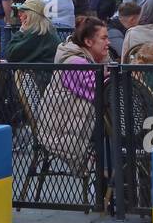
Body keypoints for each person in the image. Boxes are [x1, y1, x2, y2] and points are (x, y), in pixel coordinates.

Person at [41, 18, 107, 175]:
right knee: (118, 135)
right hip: (60, 134)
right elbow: (101, 92)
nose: (108, 42)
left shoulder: (83, 58)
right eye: (104, 38)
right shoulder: (75, 62)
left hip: (72, 126)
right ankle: (112, 182)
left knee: (116, 131)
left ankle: (112, 186)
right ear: (88, 42)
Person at [5, 0, 60, 64]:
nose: (19, 14)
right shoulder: (45, 30)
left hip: (40, 73)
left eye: (22, 11)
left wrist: (20, 32)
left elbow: (10, 55)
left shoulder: (37, 33)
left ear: (31, 15)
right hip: (44, 72)